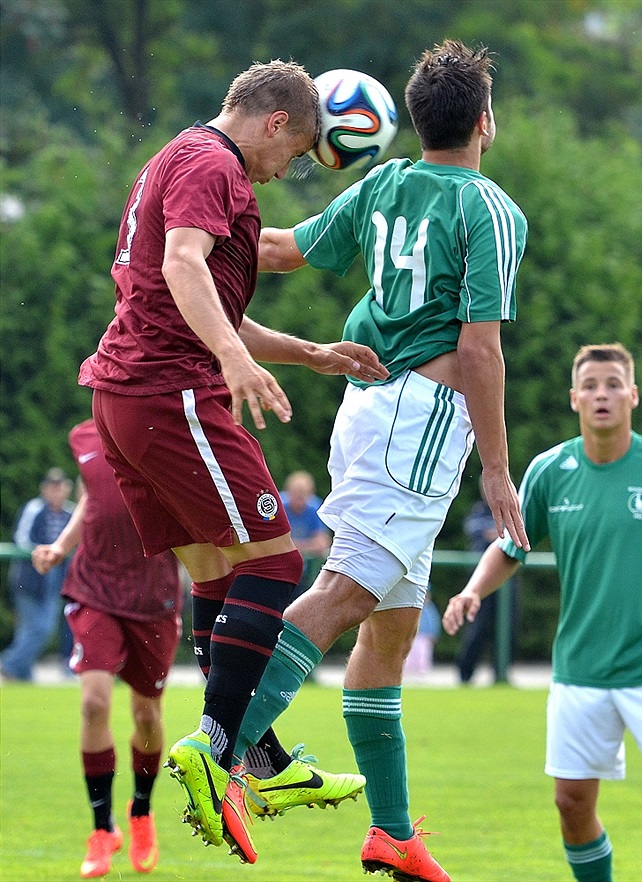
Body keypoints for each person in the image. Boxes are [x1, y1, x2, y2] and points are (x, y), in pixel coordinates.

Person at [235, 39, 530, 882]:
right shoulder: (490, 209)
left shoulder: (387, 180)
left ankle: (393, 831)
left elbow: (284, 250)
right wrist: (498, 469)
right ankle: (223, 747)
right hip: (421, 422)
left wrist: (205, 228)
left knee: (391, 627)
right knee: (343, 596)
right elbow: (480, 352)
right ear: (483, 122)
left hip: (368, 408)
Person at [77, 58, 385, 863]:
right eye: (297, 152)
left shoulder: (180, 157)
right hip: (168, 392)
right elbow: (183, 266)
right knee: (279, 564)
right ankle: (219, 748)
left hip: (129, 400)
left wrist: (309, 354)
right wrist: (232, 362)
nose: (289, 171)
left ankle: (262, 757)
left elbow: (210, 294)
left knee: (219, 570)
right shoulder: (216, 164)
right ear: (276, 121)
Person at [443, 343, 642, 882]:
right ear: (574, 398)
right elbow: (511, 546)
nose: (601, 394)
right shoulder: (549, 470)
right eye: (590, 385)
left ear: (632, 395)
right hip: (579, 671)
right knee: (571, 804)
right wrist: (472, 591)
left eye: (612, 384)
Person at [31, 419, 183, 878]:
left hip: (153, 598)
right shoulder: (82, 436)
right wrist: (60, 546)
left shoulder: (169, 428)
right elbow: (90, 499)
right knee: (94, 703)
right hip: (95, 588)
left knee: (146, 716)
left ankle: (140, 812)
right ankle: (102, 828)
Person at [1, 468, 74, 682]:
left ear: (66, 489)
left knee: (42, 627)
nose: (56, 491)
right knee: (37, 628)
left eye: (59, 487)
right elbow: (22, 538)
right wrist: (46, 552)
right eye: (52, 487)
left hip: (55, 579)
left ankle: (21, 673)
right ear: (44, 489)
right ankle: (10, 664)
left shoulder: (71, 513)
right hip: (29, 577)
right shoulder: (34, 508)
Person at [457, 477, 518, 683]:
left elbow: (517, 533)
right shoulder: (478, 511)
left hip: (508, 580)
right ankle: (465, 675)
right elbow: (478, 532)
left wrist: (500, 534)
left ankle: (501, 675)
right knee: (477, 627)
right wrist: (502, 533)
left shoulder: (512, 508)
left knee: (508, 626)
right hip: (480, 580)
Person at [281, 470, 331, 600]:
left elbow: (322, 543)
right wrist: (308, 545)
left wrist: (292, 544)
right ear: (288, 491)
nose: (299, 498)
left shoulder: (314, 507)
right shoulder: (279, 506)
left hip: (306, 566)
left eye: (303, 494)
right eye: (295, 493)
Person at [403, 587, 441, 677]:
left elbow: (434, 621)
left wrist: (433, 633)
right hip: (413, 634)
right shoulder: (412, 607)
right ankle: (408, 669)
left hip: (425, 635)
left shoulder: (430, 609)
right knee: (410, 652)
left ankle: (422, 669)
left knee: (424, 653)